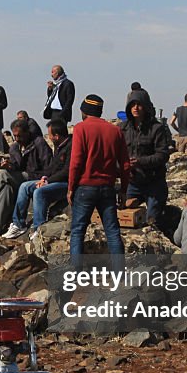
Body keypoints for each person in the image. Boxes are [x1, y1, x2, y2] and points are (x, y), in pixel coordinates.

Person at [68, 94, 131, 270]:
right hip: (107, 188)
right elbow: (125, 165)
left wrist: (71, 187)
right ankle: (120, 274)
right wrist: (124, 190)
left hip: (85, 187)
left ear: (84, 111)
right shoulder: (115, 131)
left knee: (78, 231)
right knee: (112, 232)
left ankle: (76, 275)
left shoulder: (81, 128)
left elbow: (76, 162)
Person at [3, 118, 71, 239]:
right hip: (52, 180)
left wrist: (48, 181)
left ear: (56, 136)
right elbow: (51, 167)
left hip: (65, 184)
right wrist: (44, 178)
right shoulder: (59, 147)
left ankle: (38, 228)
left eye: (50, 135)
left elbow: (66, 171)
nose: (49, 138)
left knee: (39, 192)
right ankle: (18, 224)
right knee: (25, 186)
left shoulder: (70, 146)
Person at [121, 90, 171, 225]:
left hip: (154, 183)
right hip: (133, 182)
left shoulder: (156, 128)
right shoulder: (123, 128)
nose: (135, 108)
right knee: (125, 217)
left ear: (146, 107)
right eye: (133, 105)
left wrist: (140, 162)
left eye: (139, 104)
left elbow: (162, 155)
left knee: (152, 221)